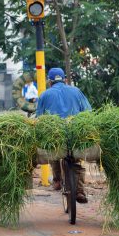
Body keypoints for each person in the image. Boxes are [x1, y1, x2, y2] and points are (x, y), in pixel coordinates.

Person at [36, 67, 91, 203]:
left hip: (56, 135)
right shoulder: (76, 91)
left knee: (54, 149)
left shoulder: (45, 95)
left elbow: (39, 118)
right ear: (65, 79)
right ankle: (79, 191)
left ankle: (57, 181)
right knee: (77, 161)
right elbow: (88, 112)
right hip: (75, 133)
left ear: (50, 81)